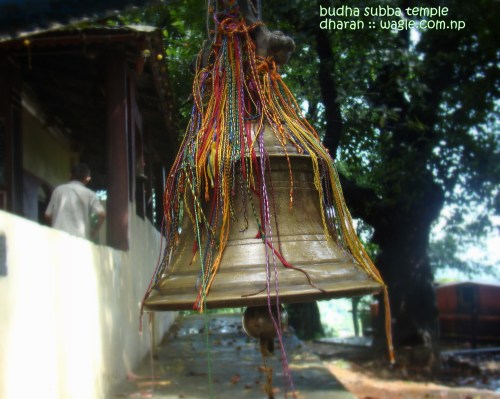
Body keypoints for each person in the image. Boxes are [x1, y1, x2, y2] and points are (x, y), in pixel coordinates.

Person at [45, 163, 106, 240]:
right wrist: (94, 231)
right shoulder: (90, 194)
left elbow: (47, 215)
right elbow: (102, 214)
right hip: (80, 240)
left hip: (58, 238)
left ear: (70, 175)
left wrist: (55, 226)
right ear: (87, 179)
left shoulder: (58, 190)